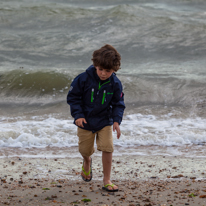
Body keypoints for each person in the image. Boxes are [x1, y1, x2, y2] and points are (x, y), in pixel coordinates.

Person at [67, 44, 125, 192]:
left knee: (108, 147)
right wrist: (78, 115)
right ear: (95, 65)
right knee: (85, 150)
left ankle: (107, 180)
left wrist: (117, 121)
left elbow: (118, 103)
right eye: (100, 69)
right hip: (85, 121)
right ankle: (87, 162)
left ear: (114, 70)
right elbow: (73, 98)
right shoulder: (83, 78)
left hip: (105, 120)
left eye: (108, 71)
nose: (103, 74)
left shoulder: (115, 83)